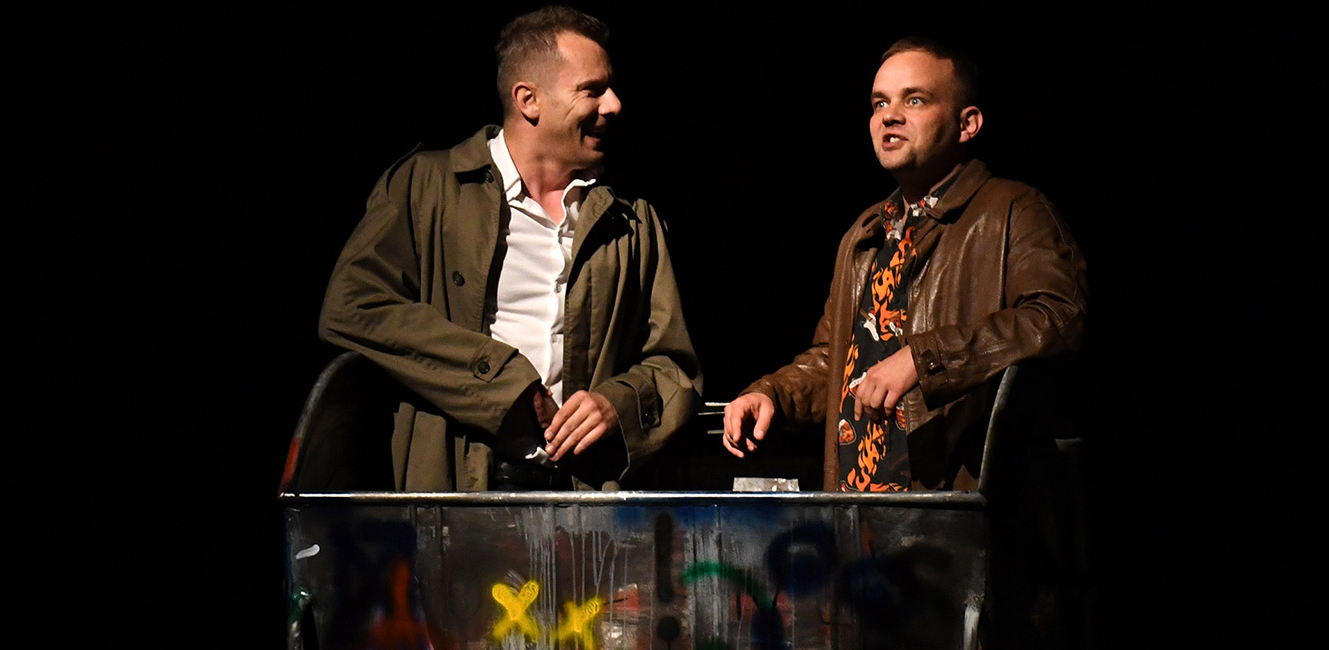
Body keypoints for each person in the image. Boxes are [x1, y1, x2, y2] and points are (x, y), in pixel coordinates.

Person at [319, 6, 701, 491]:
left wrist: (618, 405)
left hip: (585, 497)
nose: (614, 105)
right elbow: (353, 306)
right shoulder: (427, 188)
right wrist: (501, 381)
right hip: (458, 491)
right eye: (592, 90)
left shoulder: (632, 221)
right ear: (528, 100)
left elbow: (674, 367)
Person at [719, 38, 1087, 492]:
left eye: (914, 100)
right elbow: (836, 359)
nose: (889, 116)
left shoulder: (1015, 210)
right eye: (880, 103)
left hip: (954, 506)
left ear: (967, 124)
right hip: (858, 507)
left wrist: (924, 359)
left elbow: (1060, 318)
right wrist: (772, 393)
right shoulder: (867, 232)